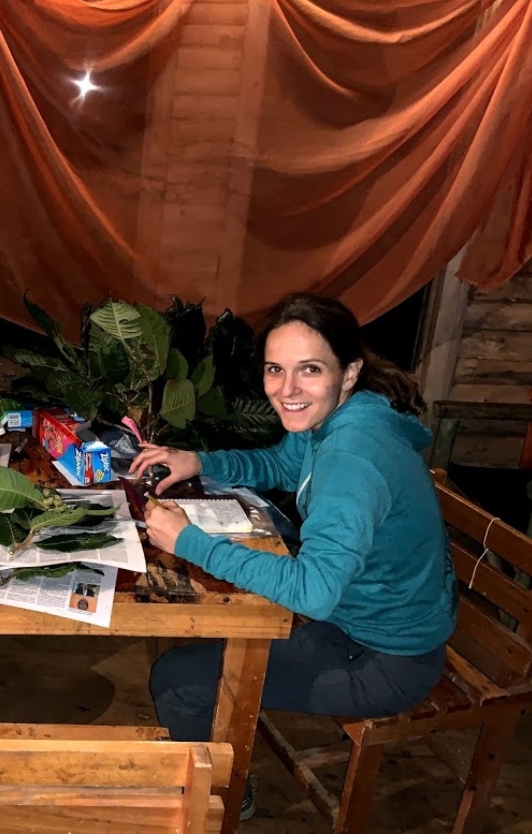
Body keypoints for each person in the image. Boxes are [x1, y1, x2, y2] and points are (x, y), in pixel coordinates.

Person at [129, 293, 457, 818]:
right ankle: (214, 763)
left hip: (383, 657)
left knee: (179, 679)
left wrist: (189, 541)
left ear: (348, 372)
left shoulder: (352, 458)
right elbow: (284, 464)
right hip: (373, 622)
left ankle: (223, 800)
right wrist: (198, 460)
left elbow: (314, 591)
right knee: (218, 635)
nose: (287, 390)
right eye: (275, 370)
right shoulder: (350, 415)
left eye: (309, 370)